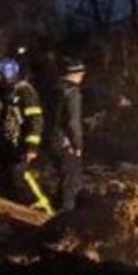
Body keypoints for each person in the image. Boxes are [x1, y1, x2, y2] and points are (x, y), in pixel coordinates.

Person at [0, 54, 50, 214]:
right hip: (5, 145)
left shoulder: (25, 92)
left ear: (8, 73)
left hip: (20, 146)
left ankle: (40, 207)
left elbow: (36, 119)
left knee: (19, 177)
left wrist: (32, 146)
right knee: (2, 179)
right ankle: (12, 213)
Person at [50, 59, 85, 212]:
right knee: (72, 178)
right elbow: (72, 121)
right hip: (64, 140)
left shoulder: (54, 90)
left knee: (63, 177)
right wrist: (77, 144)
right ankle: (66, 215)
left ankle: (55, 207)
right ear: (76, 74)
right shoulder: (72, 93)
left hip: (49, 136)